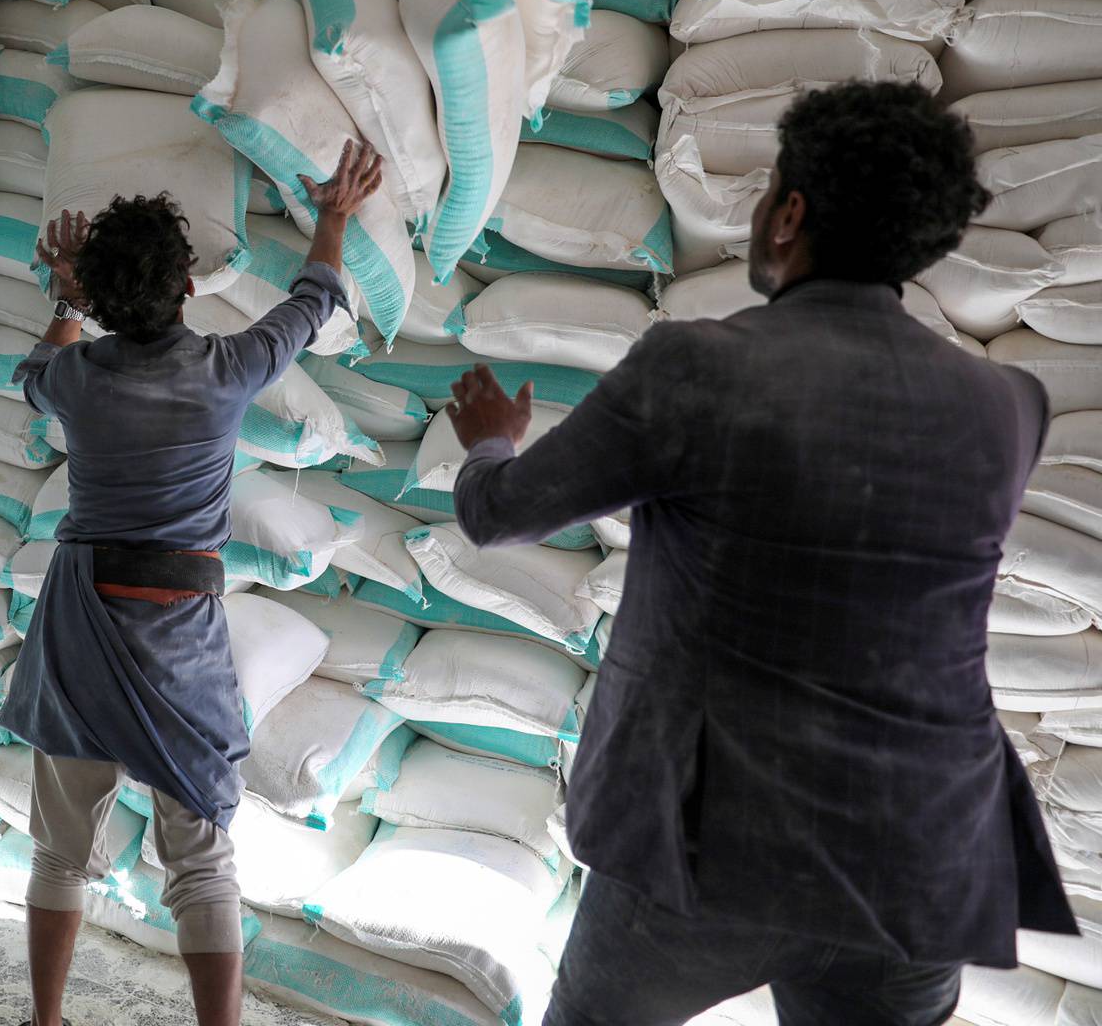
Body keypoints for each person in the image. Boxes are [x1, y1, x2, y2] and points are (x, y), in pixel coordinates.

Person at [446, 79, 1077, 1024]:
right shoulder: (1009, 406)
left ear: (789, 212)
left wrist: (491, 440)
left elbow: (501, 515)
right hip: (921, 853)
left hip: (710, 853)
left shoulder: (699, 366)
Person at [0, 140, 385, 1026]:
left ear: (99, 300)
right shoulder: (228, 369)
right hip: (179, 636)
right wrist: (330, 219)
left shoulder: (77, 378)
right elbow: (312, 301)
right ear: (187, 286)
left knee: (59, 853)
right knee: (202, 859)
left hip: (78, 633)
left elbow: (30, 376)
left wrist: (63, 296)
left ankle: (46, 1021)